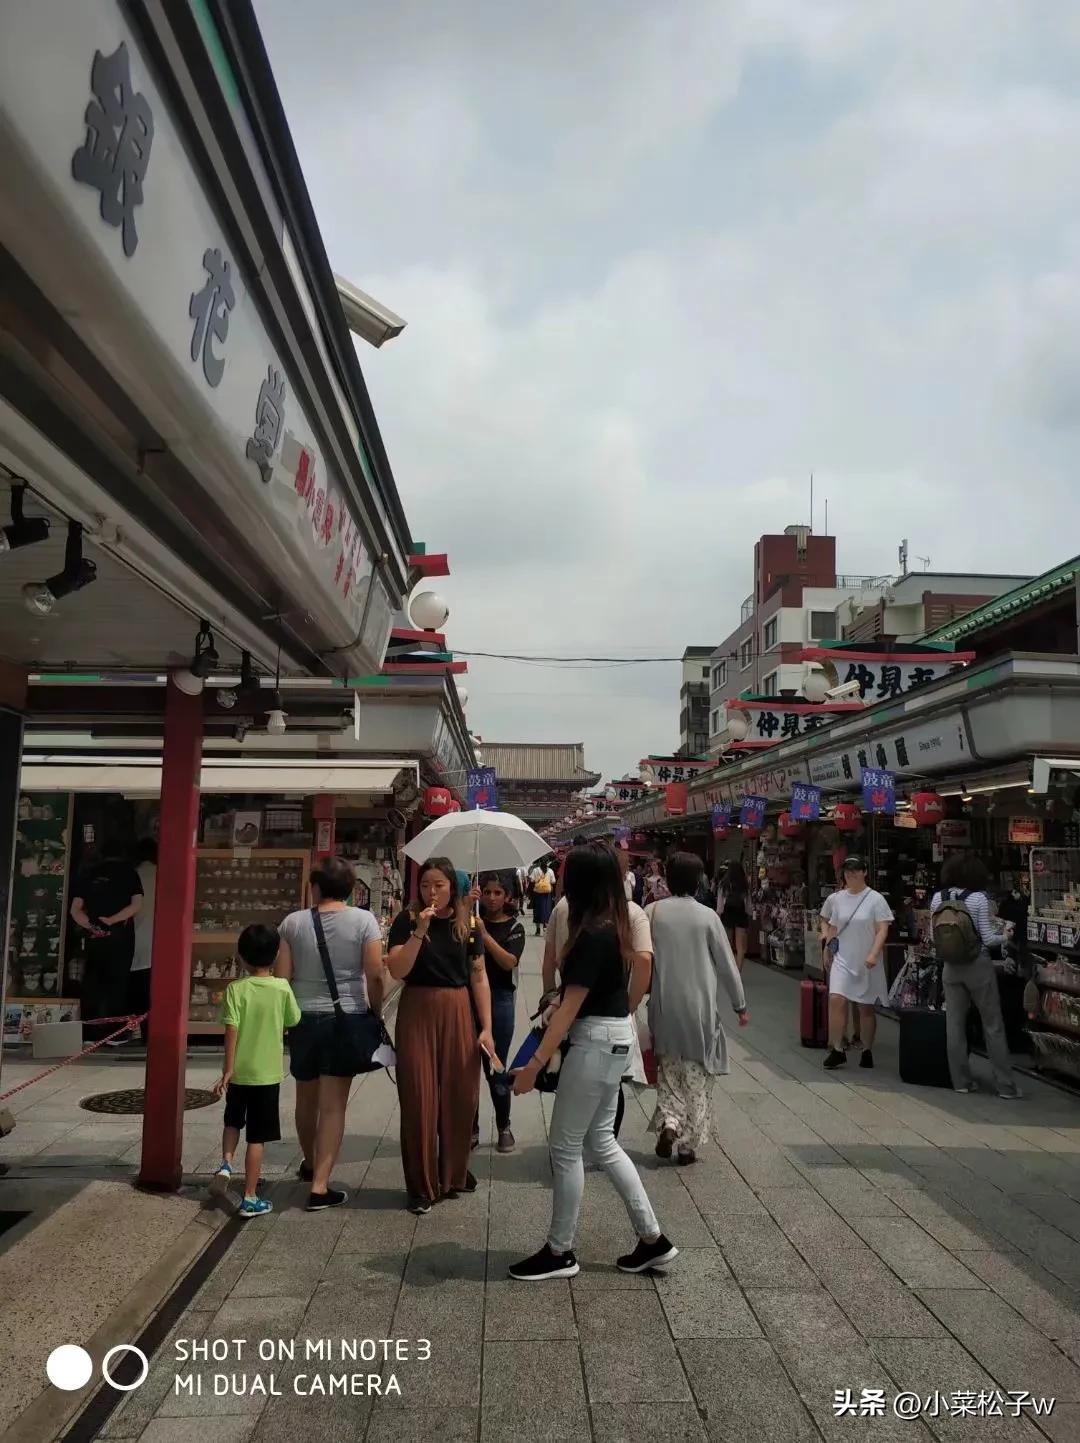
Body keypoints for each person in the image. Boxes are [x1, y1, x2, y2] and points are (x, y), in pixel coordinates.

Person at [509, 842, 676, 1281]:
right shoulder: (612, 925)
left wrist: (534, 1064)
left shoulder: (593, 933)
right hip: (614, 1036)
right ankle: (652, 1238)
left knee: (566, 1148)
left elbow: (569, 1007)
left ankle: (560, 1250)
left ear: (577, 882)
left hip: (594, 1041)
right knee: (602, 1141)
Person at [276, 856, 384, 1210]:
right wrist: (376, 1011)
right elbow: (375, 974)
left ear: (316, 886)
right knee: (333, 1106)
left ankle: (309, 1163)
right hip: (346, 1016)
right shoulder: (364, 921)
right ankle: (320, 1186)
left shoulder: (292, 923)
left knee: (305, 1099)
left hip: (302, 1017)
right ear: (351, 889)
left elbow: (282, 978)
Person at [387, 858, 495, 1214]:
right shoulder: (407, 919)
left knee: (460, 1094)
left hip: (458, 1008)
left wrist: (487, 1027)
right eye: (425, 886)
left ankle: (454, 1172)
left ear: (453, 887)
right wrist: (419, 930)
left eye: (439, 885)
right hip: (418, 1008)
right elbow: (398, 969)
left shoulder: (470, 924)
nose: (431, 892)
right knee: (418, 1096)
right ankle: (420, 1184)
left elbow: (478, 977)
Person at [646, 853, 749, 1164]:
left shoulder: (651, 912)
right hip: (699, 1009)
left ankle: (670, 1122)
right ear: (698, 881)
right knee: (697, 1076)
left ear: (667, 877)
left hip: (662, 1006)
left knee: (668, 1071)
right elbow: (728, 965)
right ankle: (687, 1144)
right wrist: (739, 1005)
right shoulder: (707, 917)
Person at [544, 847, 653, 1139]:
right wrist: (630, 1002)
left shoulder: (566, 909)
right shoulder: (630, 913)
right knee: (609, 1088)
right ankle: (599, 1141)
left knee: (569, 1082)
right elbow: (644, 960)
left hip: (577, 1014)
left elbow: (548, 960)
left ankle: (583, 1138)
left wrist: (549, 995)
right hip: (609, 1013)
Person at [213, 924, 301, 1218]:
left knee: (233, 1121)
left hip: (239, 1072)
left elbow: (230, 1028)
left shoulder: (235, 989)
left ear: (241, 956)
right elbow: (293, 1020)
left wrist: (228, 1069)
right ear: (276, 954)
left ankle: (225, 1163)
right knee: (257, 1137)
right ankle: (249, 1196)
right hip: (266, 1075)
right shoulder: (282, 988)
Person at [931, 853, 1020, 1098]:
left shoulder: (938, 897)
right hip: (978, 965)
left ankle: (961, 1081)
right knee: (992, 1024)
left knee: (955, 1025)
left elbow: (933, 935)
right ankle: (1006, 1086)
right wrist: (1007, 936)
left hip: (950, 966)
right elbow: (989, 939)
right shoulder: (979, 899)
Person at [820, 857, 893, 1070]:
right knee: (836, 999)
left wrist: (873, 953)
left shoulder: (876, 899)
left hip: (866, 960)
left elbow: (883, 929)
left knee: (865, 1007)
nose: (850, 875)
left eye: (855, 871)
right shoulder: (837, 899)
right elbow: (833, 926)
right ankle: (837, 1048)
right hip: (843, 958)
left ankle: (867, 1049)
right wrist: (827, 948)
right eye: (847, 872)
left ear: (864, 872)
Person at [69, 839, 143, 1045]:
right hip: (120, 937)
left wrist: (92, 926)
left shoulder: (89, 873)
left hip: (94, 938)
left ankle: (89, 1033)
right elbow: (137, 905)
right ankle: (115, 1034)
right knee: (117, 984)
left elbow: (75, 910)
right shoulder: (130, 873)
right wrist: (112, 921)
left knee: (92, 982)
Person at [472, 872, 526, 1153]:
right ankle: (471, 1127)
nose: (492, 898)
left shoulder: (516, 928)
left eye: (497, 893)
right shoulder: (470, 921)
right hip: (469, 999)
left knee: (496, 1065)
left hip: (501, 999)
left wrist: (484, 936)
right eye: (488, 892)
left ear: (507, 897)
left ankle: (504, 1125)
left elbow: (508, 962)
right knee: (468, 1067)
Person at [130, 838, 157, 1044]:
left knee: (140, 993)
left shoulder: (133, 874)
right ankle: (155, 1032)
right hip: (162, 942)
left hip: (137, 940)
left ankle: (141, 1032)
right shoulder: (163, 873)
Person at [719, 861, 750, 972]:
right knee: (740, 947)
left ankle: (730, 970)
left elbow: (720, 903)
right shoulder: (744, 884)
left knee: (728, 944)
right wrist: (749, 914)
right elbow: (748, 903)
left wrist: (718, 914)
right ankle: (738, 972)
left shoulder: (724, 883)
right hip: (741, 914)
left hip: (728, 914)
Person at [530, 858, 556, 935]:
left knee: (537, 910)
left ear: (540, 862)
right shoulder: (550, 871)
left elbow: (532, 880)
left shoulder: (535, 870)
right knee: (546, 910)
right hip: (547, 894)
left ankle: (538, 930)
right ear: (547, 862)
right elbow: (553, 881)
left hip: (537, 893)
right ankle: (545, 926)